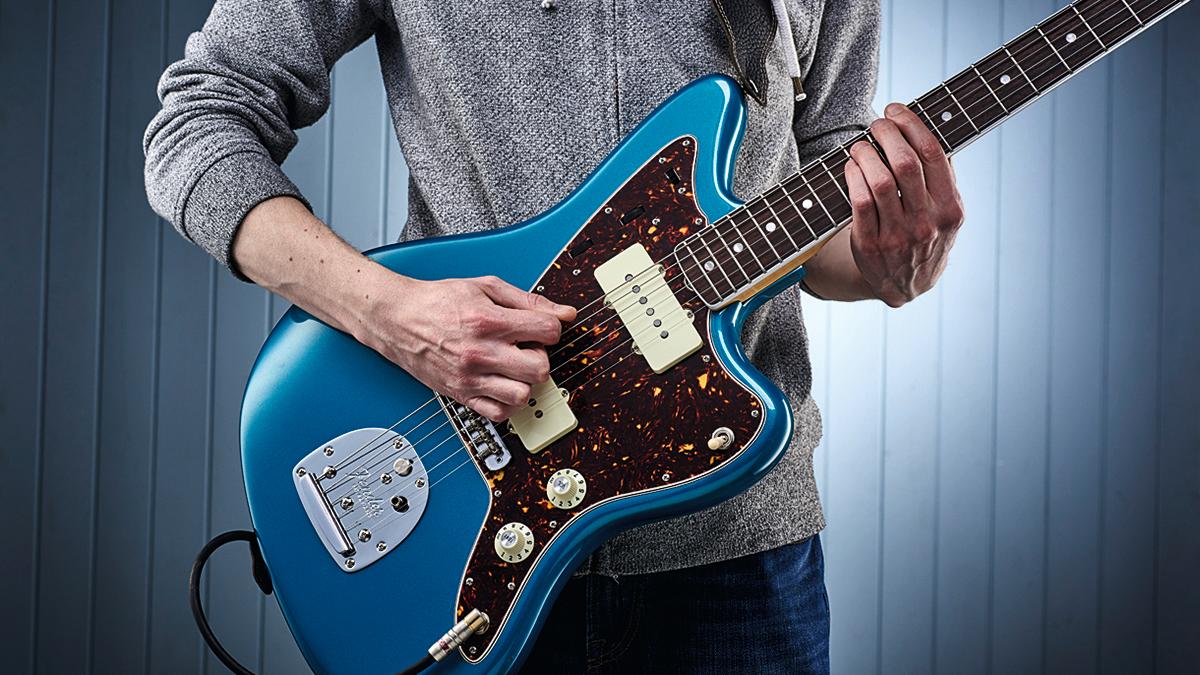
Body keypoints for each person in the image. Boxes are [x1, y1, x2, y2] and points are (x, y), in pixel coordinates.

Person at [144, 1, 963, 672]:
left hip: (736, 552)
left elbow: (822, 205)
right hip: (468, 511)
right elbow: (196, 122)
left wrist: (892, 261)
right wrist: (391, 314)